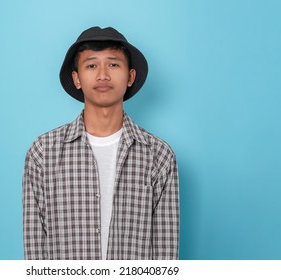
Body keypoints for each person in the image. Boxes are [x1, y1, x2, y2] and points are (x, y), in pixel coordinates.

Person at [23, 26, 179, 260]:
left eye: (114, 64)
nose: (103, 75)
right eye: (92, 65)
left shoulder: (159, 155)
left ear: (130, 76)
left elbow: (166, 253)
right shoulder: (43, 153)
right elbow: (34, 248)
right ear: (77, 78)